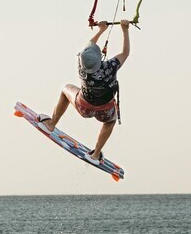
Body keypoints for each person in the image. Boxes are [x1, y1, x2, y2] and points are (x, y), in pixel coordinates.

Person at [38, 19, 131, 164]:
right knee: (110, 122)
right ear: (99, 60)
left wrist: (101, 30)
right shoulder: (109, 67)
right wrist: (125, 30)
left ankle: (51, 124)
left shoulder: (82, 66)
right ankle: (95, 154)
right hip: (104, 111)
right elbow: (125, 52)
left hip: (84, 107)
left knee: (65, 89)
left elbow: (87, 49)